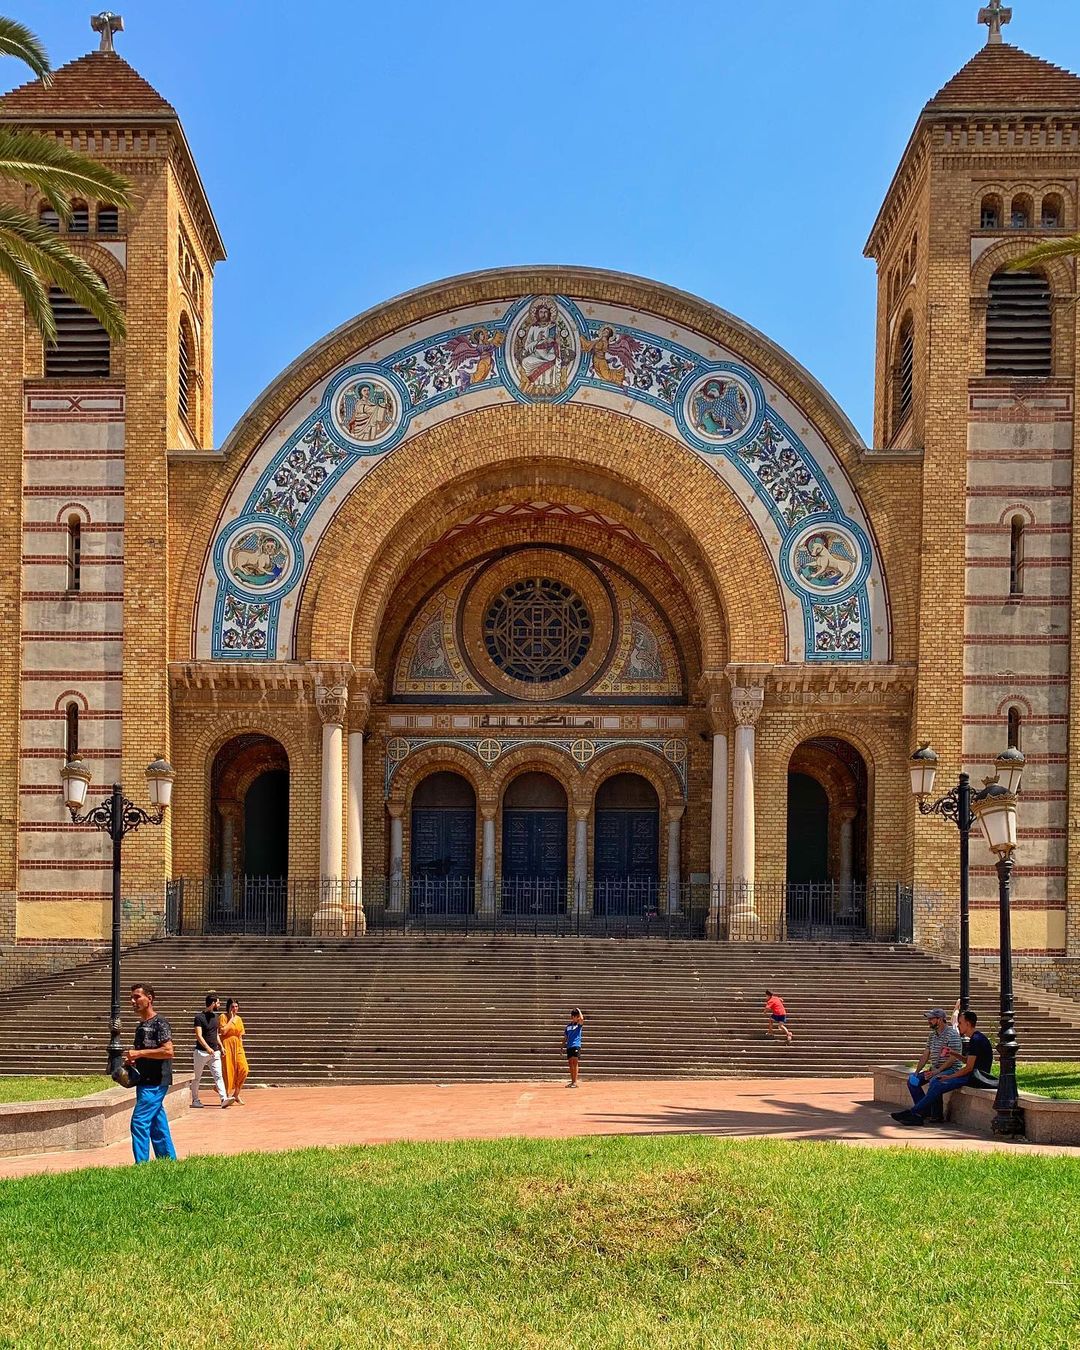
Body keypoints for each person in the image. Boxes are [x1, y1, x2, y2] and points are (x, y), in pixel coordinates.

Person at [892, 1010, 997, 1126]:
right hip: (971, 1074)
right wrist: (954, 1053)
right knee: (928, 1081)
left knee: (937, 1082)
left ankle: (915, 1113)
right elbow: (968, 1061)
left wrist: (948, 1076)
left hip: (975, 1077)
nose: (958, 1025)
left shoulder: (976, 1040)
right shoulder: (975, 1038)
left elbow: (969, 1068)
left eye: (960, 1023)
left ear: (968, 1024)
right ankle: (918, 1113)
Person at [123, 981, 177, 1163]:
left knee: (139, 1122)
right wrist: (133, 1059)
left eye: (137, 997)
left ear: (150, 999)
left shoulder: (160, 1023)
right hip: (144, 1080)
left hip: (156, 1081)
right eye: (131, 997)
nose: (132, 1001)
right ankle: (168, 1161)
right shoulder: (140, 1027)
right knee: (156, 1123)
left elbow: (168, 1051)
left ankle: (141, 1166)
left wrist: (139, 1053)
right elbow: (145, 1053)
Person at [902, 1007, 963, 1121]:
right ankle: (924, 1111)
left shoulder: (952, 1034)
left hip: (950, 1069)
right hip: (935, 1068)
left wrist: (937, 1071)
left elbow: (953, 1058)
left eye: (931, 1019)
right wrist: (916, 1072)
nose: (929, 1021)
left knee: (935, 1080)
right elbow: (926, 1054)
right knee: (913, 1082)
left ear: (939, 1020)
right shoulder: (932, 1035)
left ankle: (936, 1115)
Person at [191, 991, 231, 1108]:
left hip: (215, 1052)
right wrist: (207, 1048)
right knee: (197, 1077)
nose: (219, 1005)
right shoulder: (199, 1017)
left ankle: (224, 1098)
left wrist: (221, 1046)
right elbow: (199, 1035)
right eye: (218, 1003)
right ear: (213, 1003)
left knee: (218, 1075)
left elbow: (216, 1034)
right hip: (201, 1053)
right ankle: (195, 1100)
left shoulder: (216, 1017)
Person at [219, 997, 249, 1104]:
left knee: (244, 1069)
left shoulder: (239, 1019)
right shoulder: (223, 1017)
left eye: (236, 1006)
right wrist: (231, 1019)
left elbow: (240, 1035)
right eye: (232, 1007)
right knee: (228, 1070)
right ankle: (226, 1096)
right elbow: (223, 1031)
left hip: (237, 1046)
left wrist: (241, 1047)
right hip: (227, 1044)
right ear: (228, 1007)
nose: (234, 1009)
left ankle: (236, 1093)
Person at [564, 1008, 584, 1088]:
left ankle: (575, 1082)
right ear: (572, 1017)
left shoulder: (578, 1025)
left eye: (578, 1016)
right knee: (570, 1064)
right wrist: (562, 1046)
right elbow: (565, 1037)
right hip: (569, 1046)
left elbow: (582, 1019)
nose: (578, 1017)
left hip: (576, 1045)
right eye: (576, 1016)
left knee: (575, 1063)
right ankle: (572, 1081)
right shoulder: (568, 1026)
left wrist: (579, 1010)